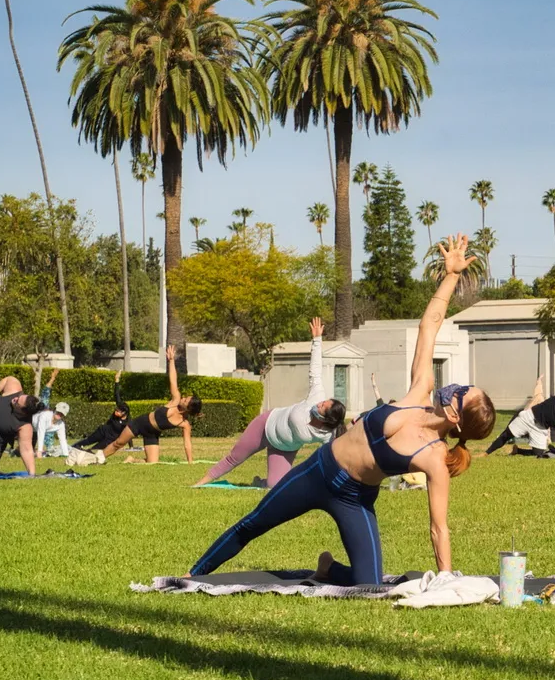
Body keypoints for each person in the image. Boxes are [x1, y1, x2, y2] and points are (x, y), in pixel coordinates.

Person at [190, 236, 496, 585]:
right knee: (255, 522)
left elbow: (439, 526)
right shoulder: (420, 389)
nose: (454, 388)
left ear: (456, 417)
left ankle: (329, 571)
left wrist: (445, 579)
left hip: (355, 497)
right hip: (320, 469)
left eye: (461, 394)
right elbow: (430, 324)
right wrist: (452, 276)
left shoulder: (435, 459)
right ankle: (192, 574)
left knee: (371, 585)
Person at [196, 318, 346, 488]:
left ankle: (259, 482)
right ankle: (200, 483)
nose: (319, 403)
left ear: (325, 419)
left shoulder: (326, 434)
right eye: (323, 402)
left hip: (284, 448)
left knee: (275, 486)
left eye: (323, 407)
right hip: (265, 426)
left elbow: (336, 456)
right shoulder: (316, 396)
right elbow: (315, 371)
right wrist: (317, 340)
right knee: (235, 458)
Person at [94, 346, 201, 464]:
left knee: (152, 462)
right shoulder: (175, 400)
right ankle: (97, 458)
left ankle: (132, 459)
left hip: (152, 433)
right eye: (185, 397)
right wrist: (171, 361)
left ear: (189, 409)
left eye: (186, 400)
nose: (183, 398)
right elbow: (173, 380)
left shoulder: (185, 424)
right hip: (141, 423)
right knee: (119, 443)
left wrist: (190, 461)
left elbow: (187, 443)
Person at [486, 359, 555, 458]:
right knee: (506, 435)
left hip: (541, 429)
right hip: (530, 417)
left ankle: (518, 451)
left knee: (540, 454)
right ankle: (486, 453)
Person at [70, 371, 129, 459]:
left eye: (118, 411)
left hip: (110, 439)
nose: (116, 412)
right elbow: (117, 395)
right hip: (102, 431)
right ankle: (70, 449)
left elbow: (129, 433)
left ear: (124, 413)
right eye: (116, 410)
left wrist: (131, 446)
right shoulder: (119, 407)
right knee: (87, 441)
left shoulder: (127, 422)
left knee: (94, 450)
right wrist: (117, 380)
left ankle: (83, 456)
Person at [31, 368, 71, 458]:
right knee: (27, 448)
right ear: (55, 409)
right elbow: (46, 391)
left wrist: (65, 455)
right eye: (59, 412)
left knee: (50, 450)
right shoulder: (44, 412)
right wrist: (52, 379)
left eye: (62, 414)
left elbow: (62, 440)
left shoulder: (60, 424)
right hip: (31, 425)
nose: (59, 414)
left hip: (44, 430)